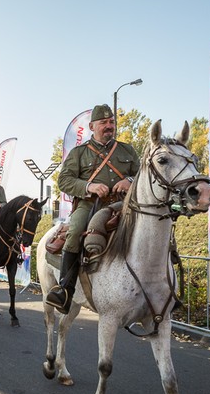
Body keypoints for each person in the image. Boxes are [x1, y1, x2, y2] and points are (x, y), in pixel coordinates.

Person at [45, 103, 141, 313]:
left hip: (124, 203)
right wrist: (90, 186)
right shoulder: (79, 153)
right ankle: (65, 290)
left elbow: (143, 175)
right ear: (92, 126)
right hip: (90, 204)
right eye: (103, 122)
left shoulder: (127, 150)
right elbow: (65, 180)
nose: (109, 126)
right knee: (75, 232)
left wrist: (130, 180)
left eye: (112, 122)